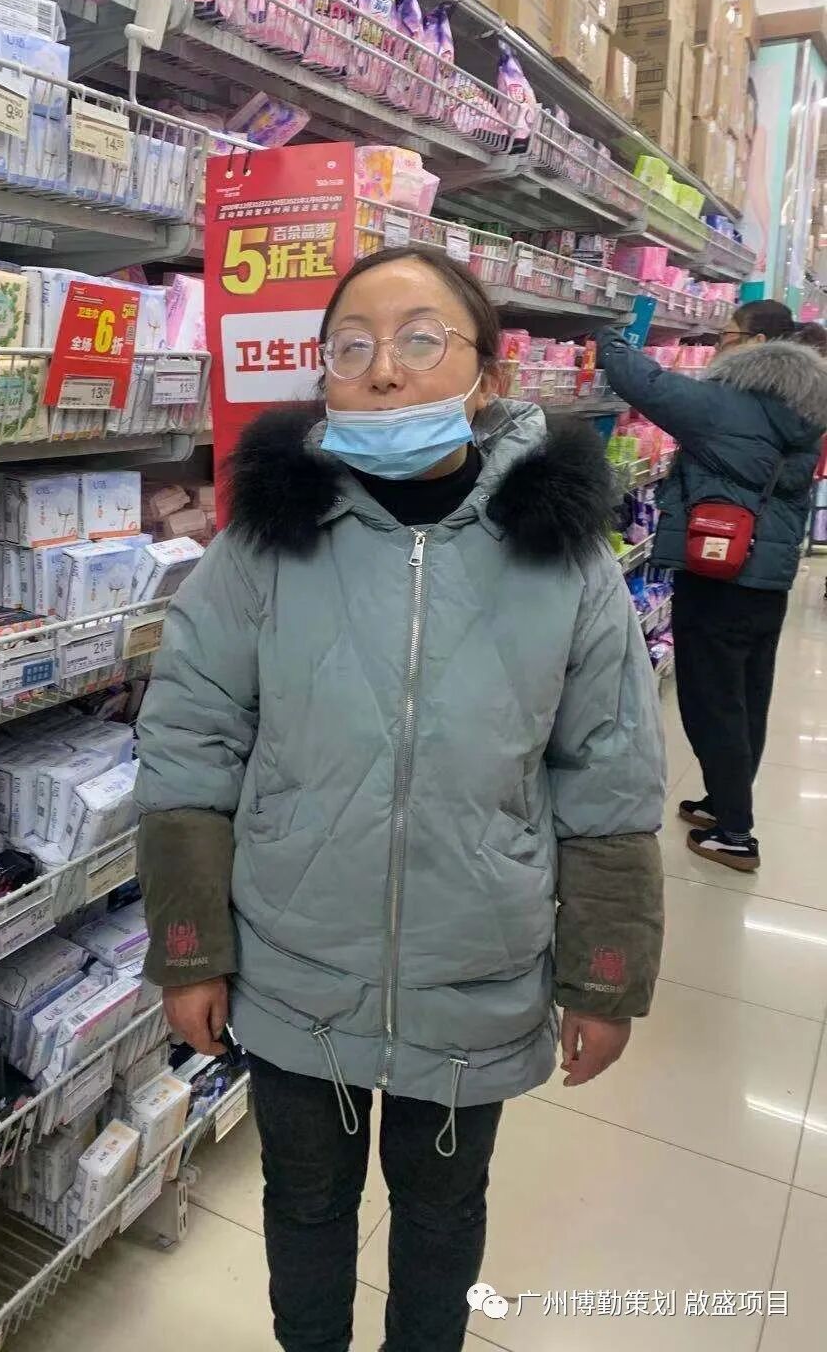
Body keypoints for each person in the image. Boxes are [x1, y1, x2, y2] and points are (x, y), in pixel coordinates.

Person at [136, 246, 665, 1352]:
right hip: (294, 964)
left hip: (475, 969)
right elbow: (189, 744)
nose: (383, 370)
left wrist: (606, 974)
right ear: (324, 374)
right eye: (353, 346)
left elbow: (609, 772)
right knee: (304, 1203)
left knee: (442, 1212)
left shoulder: (562, 556)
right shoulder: (265, 545)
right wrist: (189, 949)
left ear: (488, 376)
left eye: (421, 339)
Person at [597, 301, 827, 872]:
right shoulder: (801, 405)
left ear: (756, 344)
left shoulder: (734, 403)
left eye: (727, 333)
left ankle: (736, 833)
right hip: (766, 575)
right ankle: (725, 802)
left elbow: (650, 387)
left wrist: (609, 336)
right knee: (747, 694)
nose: (720, 343)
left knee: (711, 699)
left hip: (720, 573)